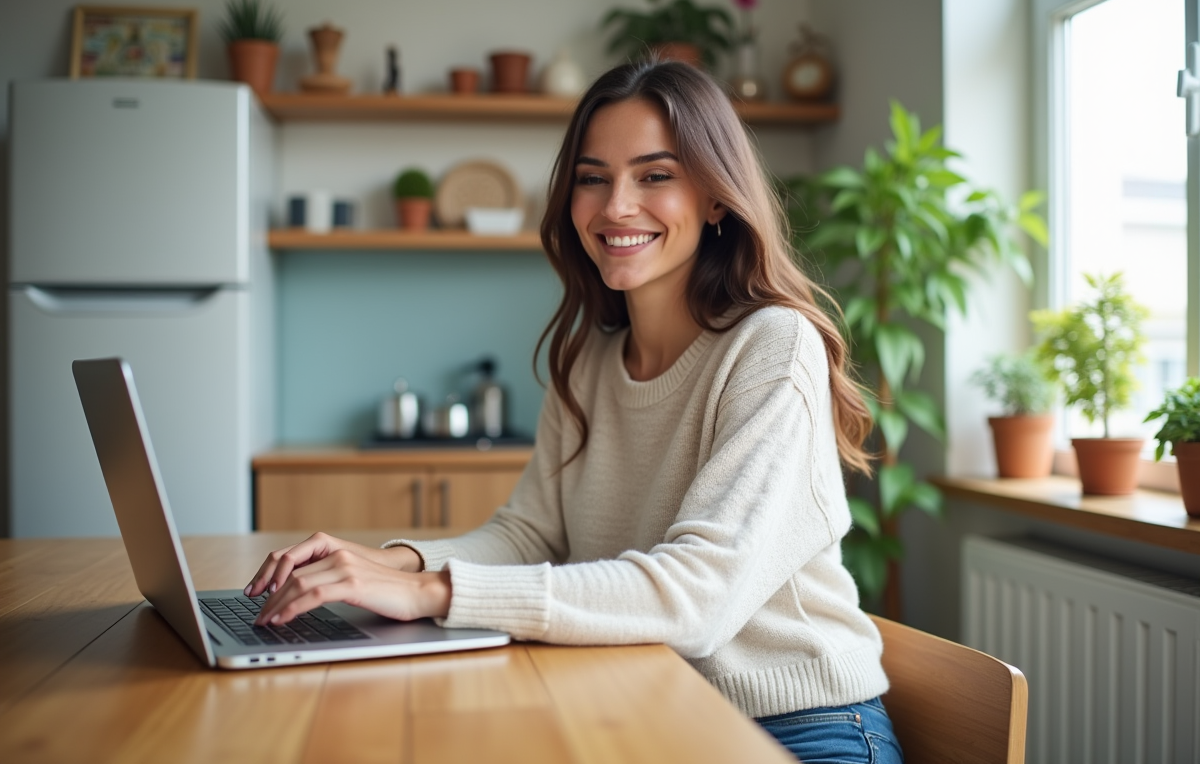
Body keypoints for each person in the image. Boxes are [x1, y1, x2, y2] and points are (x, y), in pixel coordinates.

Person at [246, 59, 904, 763]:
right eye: (593, 178)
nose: (616, 205)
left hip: (799, 728)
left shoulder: (773, 346)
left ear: (716, 198)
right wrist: (391, 564)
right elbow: (531, 535)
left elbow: (698, 598)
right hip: (652, 710)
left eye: (655, 175)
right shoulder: (591, 360)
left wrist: (434, 592)